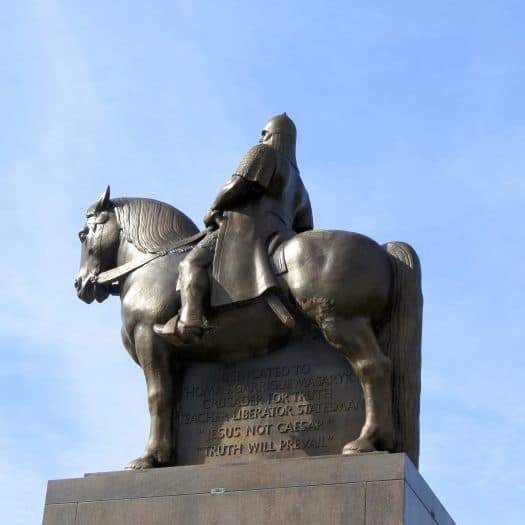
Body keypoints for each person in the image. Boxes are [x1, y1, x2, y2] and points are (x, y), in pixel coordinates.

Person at [155, 113, 313, 343]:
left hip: (242, 231)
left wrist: (214, 208)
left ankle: (190, 319)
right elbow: (305, 229)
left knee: (191, 263)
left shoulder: (262, 153)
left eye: (264, 134)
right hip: (281, 237)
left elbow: (237, 184)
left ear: (273, 136)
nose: (261, 139)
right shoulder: (300, 185)